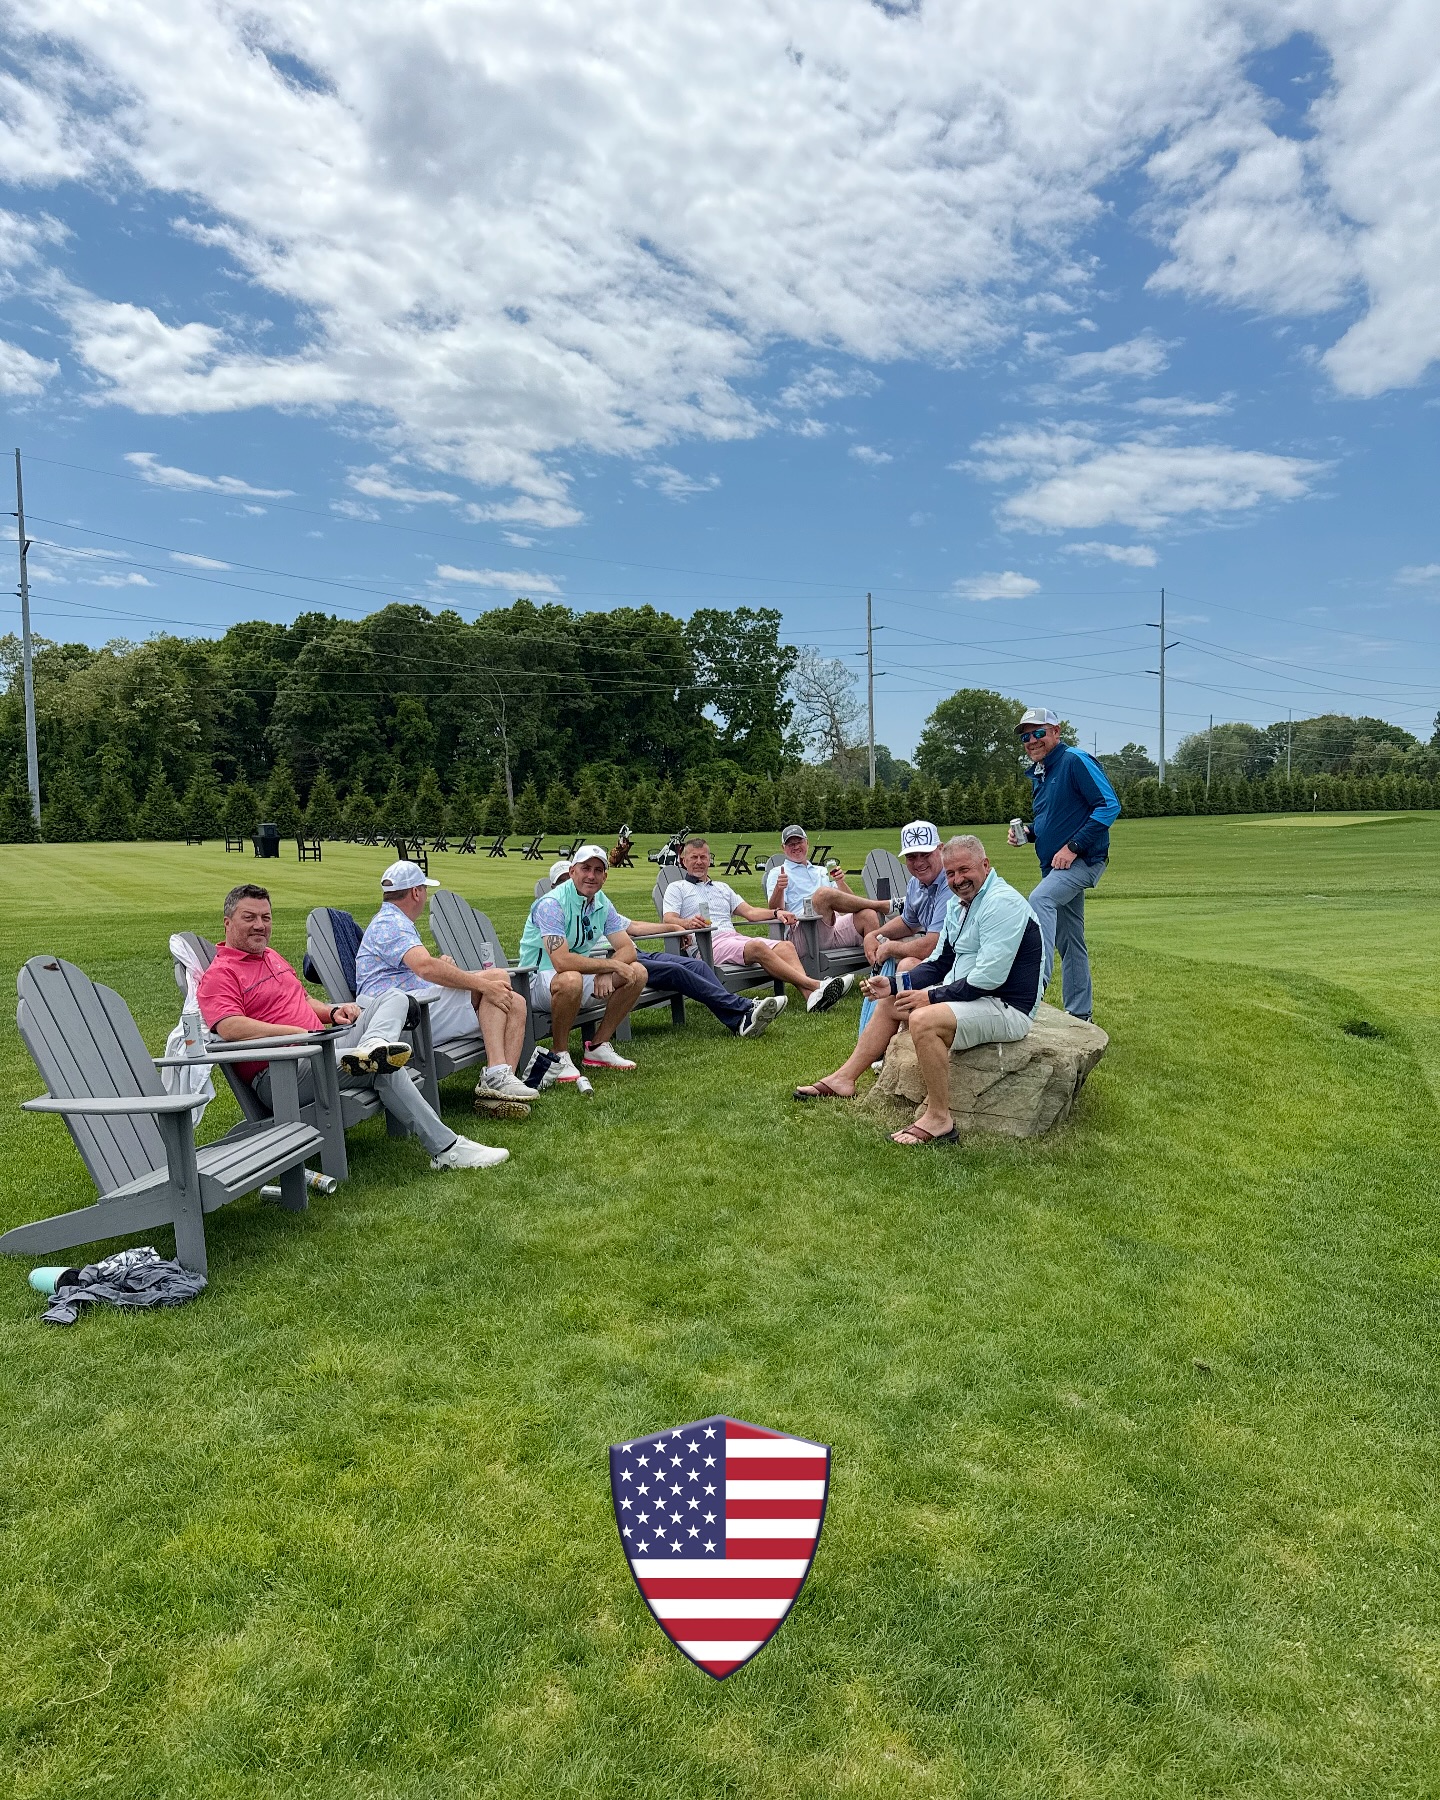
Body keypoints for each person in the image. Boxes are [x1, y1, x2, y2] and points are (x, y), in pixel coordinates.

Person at [197, 883, 507, 1171]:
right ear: (228, 923)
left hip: (323, 1045)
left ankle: (373, 1045)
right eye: (249, 917)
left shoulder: (271, 957)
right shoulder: (220, 974)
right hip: (284, 1070)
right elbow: (230, 1027)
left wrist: (332, 1011)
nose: (259, 925)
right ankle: (448, 1149)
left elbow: (301, 999)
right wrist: (294, 1034)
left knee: (394, 997)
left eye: (265, 917)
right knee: (383, 1068)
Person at [793, 836, 1042, 1147]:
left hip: (1006, 1007)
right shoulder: (959, 905)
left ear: (985, 865)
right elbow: (940, 962)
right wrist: (896, 985)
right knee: (890, 1003)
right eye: (950, 874)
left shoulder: (1000, 903)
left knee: (924, 1019)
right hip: (978, 998)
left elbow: (988, 979)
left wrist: (930, 997)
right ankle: (844, 1079)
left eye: (964, 870)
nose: (958, 880)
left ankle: (940, 1119)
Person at [355, 859, 536, 1114]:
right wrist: (483, 985)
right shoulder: (390, 923)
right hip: (400, 1020)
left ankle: (499, 1089)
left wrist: (457, 973)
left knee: (513, 999)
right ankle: (495, 1075)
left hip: (413, 1004)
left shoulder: (393, 921)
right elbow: (425, 968)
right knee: (495, 983)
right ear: (416, 892)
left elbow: (414, 970)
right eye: (424, 890)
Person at [1008, 706, 1121, 1021]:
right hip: (1056, 866)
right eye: (1026, 736)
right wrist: (1028, 833)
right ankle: (1080, 1013)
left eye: (1039, 732)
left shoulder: (1074, 761)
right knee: (1070, 940)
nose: (1032, 740)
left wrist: (1073, 847)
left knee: (1039, 899)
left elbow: (1109, 806)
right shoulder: (1042, 772)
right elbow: (1053, 820)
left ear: (1056, 732)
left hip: (1083, 859)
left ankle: (1032, 989)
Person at [661, 837, 852, 1012]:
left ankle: (811, 997)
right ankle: (817, 985)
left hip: (733, 940)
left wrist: (777, 912)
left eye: (703, 857)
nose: (699, 861)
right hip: (708, 944)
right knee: (757, 946)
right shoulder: (677, 888)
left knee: (785, 946)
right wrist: (687, 923)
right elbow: (668, 919)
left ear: (710, 860)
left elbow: (750, 912)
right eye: (694, 857)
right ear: (684, 861)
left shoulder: (722, 888)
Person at [517, 844, 648, 1077]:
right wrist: (610, 965)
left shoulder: (601, 903)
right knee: (570, 979)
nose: (591, 875)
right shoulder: (551, 904)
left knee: (637, 972)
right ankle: (559, 1054)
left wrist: (606, 972)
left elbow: (628, 948)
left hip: (575, 976)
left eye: (598, 870)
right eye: (585, 868)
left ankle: (597, 1046)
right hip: (533, 982)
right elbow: (561, 961)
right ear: (572, 871)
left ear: (605, 877)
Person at [855, 820, 952, 1038]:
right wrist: (875, 934)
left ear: (940, 849)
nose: (918, 863)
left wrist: (890, 948)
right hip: (941, 964)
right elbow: (909, 922)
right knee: (905, 969)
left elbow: (932, 946)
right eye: (911, 857)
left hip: (959, 968)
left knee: (907, 966)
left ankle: (906, 1036)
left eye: (925, 854)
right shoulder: (916, 883)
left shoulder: (950, 883)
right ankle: (899, 1037)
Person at [765, 825, 883, 955]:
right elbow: (775, 910)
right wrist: (779, 888)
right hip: (803, 933)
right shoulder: (778, 873)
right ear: (783, 848)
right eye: (790, 844)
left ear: (807, 843)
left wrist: (840, 882)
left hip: (834, 927)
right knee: (822, 894)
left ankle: (878, 968)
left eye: (799, 842)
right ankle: (881, 905)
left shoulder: (821, 871)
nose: (796, 847)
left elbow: (851, 905)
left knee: (868, 915)